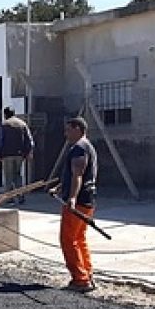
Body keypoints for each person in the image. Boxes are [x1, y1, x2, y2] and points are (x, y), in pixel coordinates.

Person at [48, 117, 99, 292]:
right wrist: (60, 187)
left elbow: (78, 174)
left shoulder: (79, 148)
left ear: (78, 129)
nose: (65, 134)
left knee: (68, 240)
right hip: (88, 200)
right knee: (79, 239)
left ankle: (80, 279)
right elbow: (75, 175)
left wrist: (72, 198)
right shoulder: (88, 147)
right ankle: (87, 273)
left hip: (79, 202)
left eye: (68, 130)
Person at [0, 107, 35, 204]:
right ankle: (20, 196)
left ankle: (9, 198)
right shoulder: (22, 124)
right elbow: (29, 139)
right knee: (17, 175)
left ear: (5, 114)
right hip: (19, 154)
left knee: (8, 176)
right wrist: (29, 152)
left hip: (7, 154)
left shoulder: (4, 124)